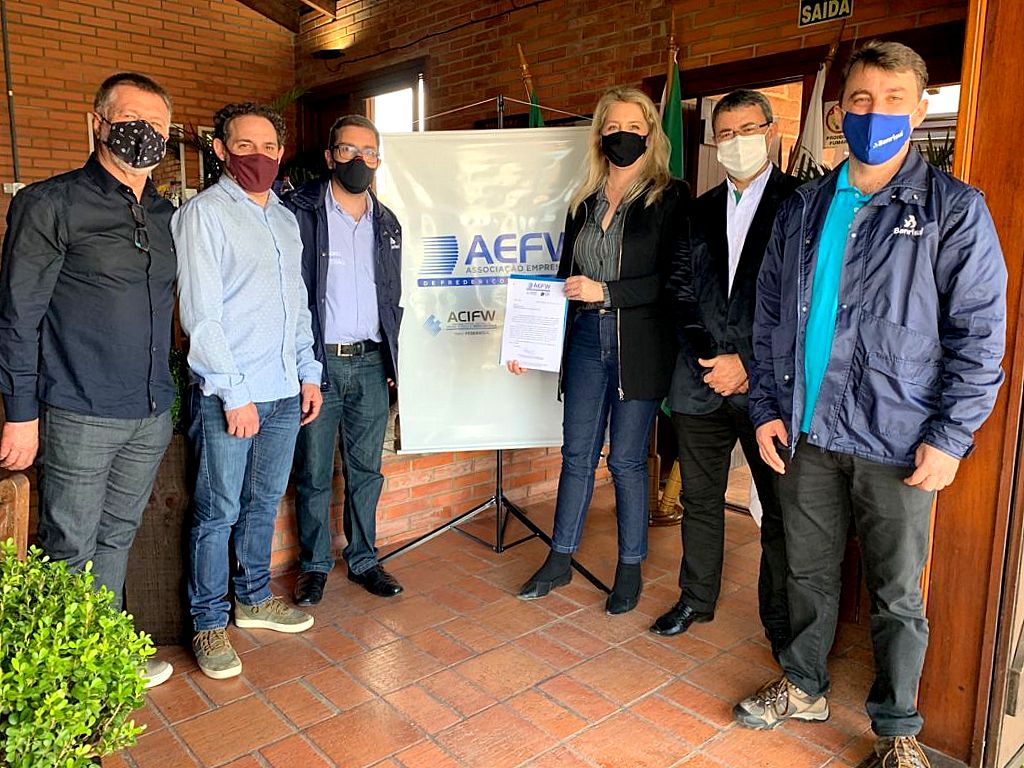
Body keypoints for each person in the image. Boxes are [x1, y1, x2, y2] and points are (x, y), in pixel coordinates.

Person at [733, 42, 1006, 768]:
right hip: (806, 430)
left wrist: (951, 437)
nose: (875, 112)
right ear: (839, 111)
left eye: (892, 99)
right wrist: (765, 406)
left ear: (919, 110)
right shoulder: (804, 207)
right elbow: (767, 316)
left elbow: (981, 334)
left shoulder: (953, 209)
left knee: (896, 592)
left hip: (899, 438)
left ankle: (897, 729)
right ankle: (803, 685)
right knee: (805, 571)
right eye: (860, 99)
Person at [0, 72, 179, 689]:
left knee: (117, 535)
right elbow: (18, 317)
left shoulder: (164, 213)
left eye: (156, 125)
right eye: (130, 120)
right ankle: (64, 678)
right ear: (96, 123)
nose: (144, 134)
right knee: (69, 544)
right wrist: (20, 413)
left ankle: (103, 655)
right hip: (81, 409)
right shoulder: (49, 205)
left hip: (151, 410)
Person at [508, 87, 688, 614]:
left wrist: (605, 290)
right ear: (599, 136)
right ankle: (559, 558)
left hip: (639, 347)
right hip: (586, 340)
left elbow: (671, 281)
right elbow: (564, 279)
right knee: (577, 456)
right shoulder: (583, 202)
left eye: (632, 127)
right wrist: (530, 342)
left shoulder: (670, 196)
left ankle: (629, 568)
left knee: (627, 461)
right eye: (612, 128)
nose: (621, 136)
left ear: (650, 134)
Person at [173, 102, 324, 680]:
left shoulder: (285, 217)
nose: (257, 156)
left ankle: (254, 597)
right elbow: (201, 316)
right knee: (218, 511)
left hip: (284, 389)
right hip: (229, 394)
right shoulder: (204, 215)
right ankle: (208, 622)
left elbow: (297, 306)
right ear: (220, 150)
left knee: (263, 503)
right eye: (243, 145)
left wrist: (309, 372)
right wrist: (233, 393)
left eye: (267, 146)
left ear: (280, 153)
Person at [651, 90, 799, 658]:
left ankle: (780, 622)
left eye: (749, 130)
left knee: (779, 512)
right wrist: (712, 360)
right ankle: (696, 598)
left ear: (772, 131)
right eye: (727, 134)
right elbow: (679, 291)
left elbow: (801, 304)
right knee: (701, 500)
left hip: (768, 392)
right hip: (700, 381)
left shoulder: (800, 204)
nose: (738, 142)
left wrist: (749, 368)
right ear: (715, 142)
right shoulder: (697, 209)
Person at [283, 115, 404, 604]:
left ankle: (364, 558)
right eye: (348, 150)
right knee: (313, 471)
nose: (359, 160)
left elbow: (392, 296)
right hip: (320, 364)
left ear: (378, 160)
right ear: (330, 156)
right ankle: (314, 565)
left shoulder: (386, 222)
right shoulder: (301, 212)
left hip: (371, 363)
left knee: (365, 470)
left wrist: (394, 363)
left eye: (368, 152)